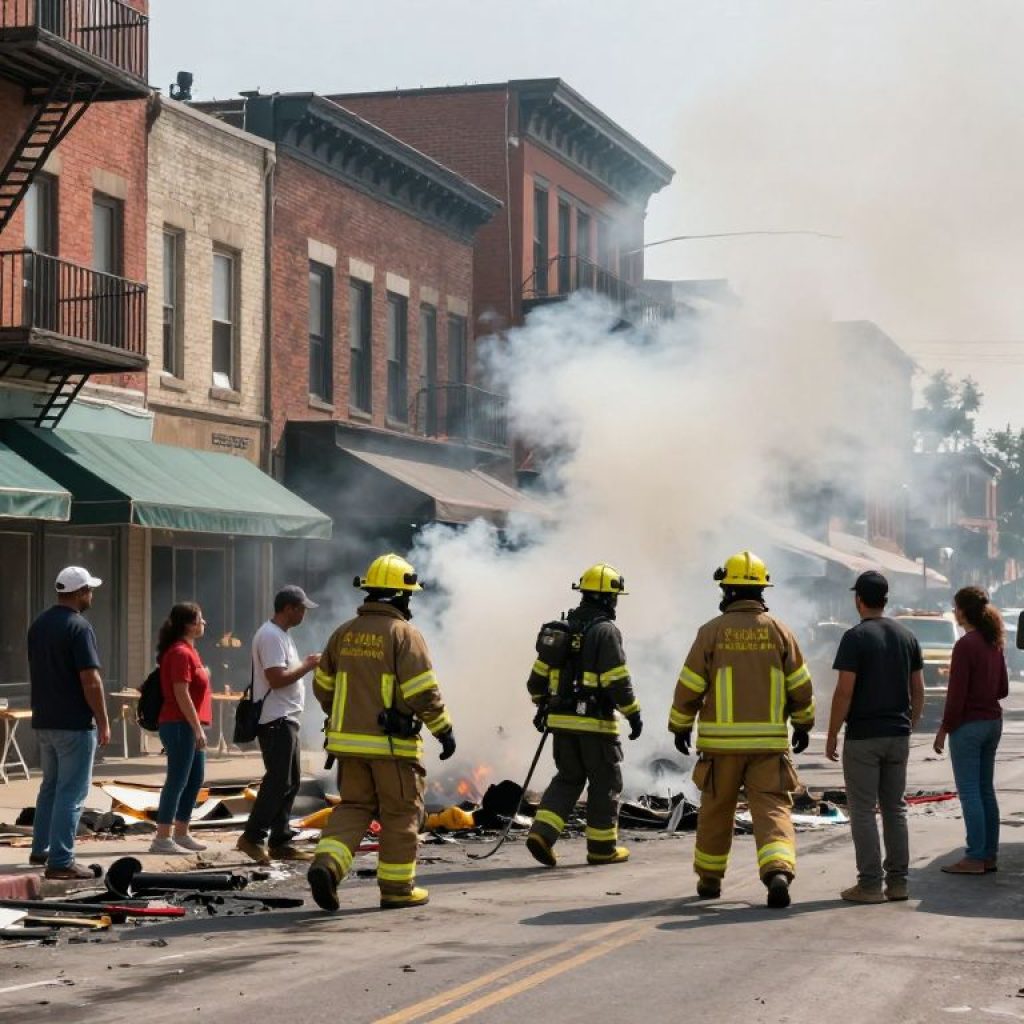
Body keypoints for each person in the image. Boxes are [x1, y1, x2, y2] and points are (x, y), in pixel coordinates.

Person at [307, 554, 455, 911]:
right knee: (401, 813)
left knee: (354, 806)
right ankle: (397, 889)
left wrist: (347, 716)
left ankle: (327, 865)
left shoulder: (343, 633)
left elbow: (323, 686)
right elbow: (422, 691)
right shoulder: (404, 635)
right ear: (401, 597)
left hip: (347, 745)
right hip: (392, 747)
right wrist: (443, 729)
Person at [668, 551, 814, 909]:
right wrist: (803, 723)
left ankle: (710, 879)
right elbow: (801, 685)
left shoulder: (711, 632)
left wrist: (680, 725)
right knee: (773, 810)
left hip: (720, 749)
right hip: (769, 747)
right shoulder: (780, 632)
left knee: (716, 811)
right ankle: (777, 870)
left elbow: (690, 685)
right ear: (762, 591)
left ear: (728, 590)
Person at [525, 563, 642, 868]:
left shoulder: (560, 630)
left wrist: (542, 705)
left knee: (568, 778)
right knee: (605, 781)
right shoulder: (606, 631)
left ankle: (542, 833)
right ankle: (602, 848)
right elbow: (617, 680)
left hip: (561, 722)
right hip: (596, 725)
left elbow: (536, 680)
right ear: (607, 598)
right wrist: (634, 714)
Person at [826, 571, 924, 903]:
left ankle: (869, 885)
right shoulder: (907, 636)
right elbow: (918, 689)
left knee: (864, 810)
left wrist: (831, 734)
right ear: (885, 599)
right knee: (895, 809)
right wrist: (910, 724)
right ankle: (898, 884)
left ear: (859, 600)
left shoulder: (854, 637)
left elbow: (844, 692)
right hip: (898, 735)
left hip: (864, 738)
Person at [28, 566, 110, 880]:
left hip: (44, 720)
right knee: (71, 793)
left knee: (50, 787)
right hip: (74, 723)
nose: (91, 595)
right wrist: (103, 720)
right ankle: (61, 861)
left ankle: (42, 848)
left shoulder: (39, 625)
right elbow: (91, 680)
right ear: (79, 593)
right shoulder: (79, 627)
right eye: (89, 589)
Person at [236, 585, 322, 864]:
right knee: (277, 782)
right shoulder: (271, 636)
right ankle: (252, 836)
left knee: (290, 781)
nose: (303, 615)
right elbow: (277, 678)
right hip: (276, 719)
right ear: (289, 608)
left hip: (286, 717)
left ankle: (280, 840)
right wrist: (308, 665)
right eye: (301, 609)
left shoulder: (281, 635)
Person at [933, 587, 1008, 874]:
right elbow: (1003, 688)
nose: (954, 611)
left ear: (963, 610)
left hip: (969, 725)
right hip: (992, 722)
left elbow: (956, 695)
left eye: (955, 607)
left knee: (970, 792)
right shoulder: (994, 642)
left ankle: (975, 857)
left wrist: (943, 729)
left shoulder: (966, 645)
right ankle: (988, 855)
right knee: (985, 790)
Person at [151, 603, 212, 855]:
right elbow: (180, 692)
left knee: (195, 779)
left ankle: (182, 831)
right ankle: (162, 838)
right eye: (200, 619)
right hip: (179, 724)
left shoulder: (190, 651)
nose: (204, 623)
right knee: (177, 780)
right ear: (188, 625)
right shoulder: (179, 652)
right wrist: (197, 729)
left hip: (188, 724)